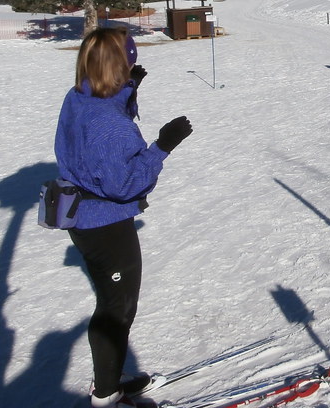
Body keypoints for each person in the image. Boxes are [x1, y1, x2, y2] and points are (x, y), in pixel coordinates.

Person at [55, 28, 193, 408]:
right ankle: (106, 394)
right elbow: (126, 184)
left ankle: (110, 379)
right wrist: (162, 146)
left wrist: (130, 88)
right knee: (117, 308)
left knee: (113, 302)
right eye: (128, 64)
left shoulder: (79, 96)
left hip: (83, 216)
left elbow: (107, 112)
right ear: (118, 65)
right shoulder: (108, 126)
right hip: (105, 222)